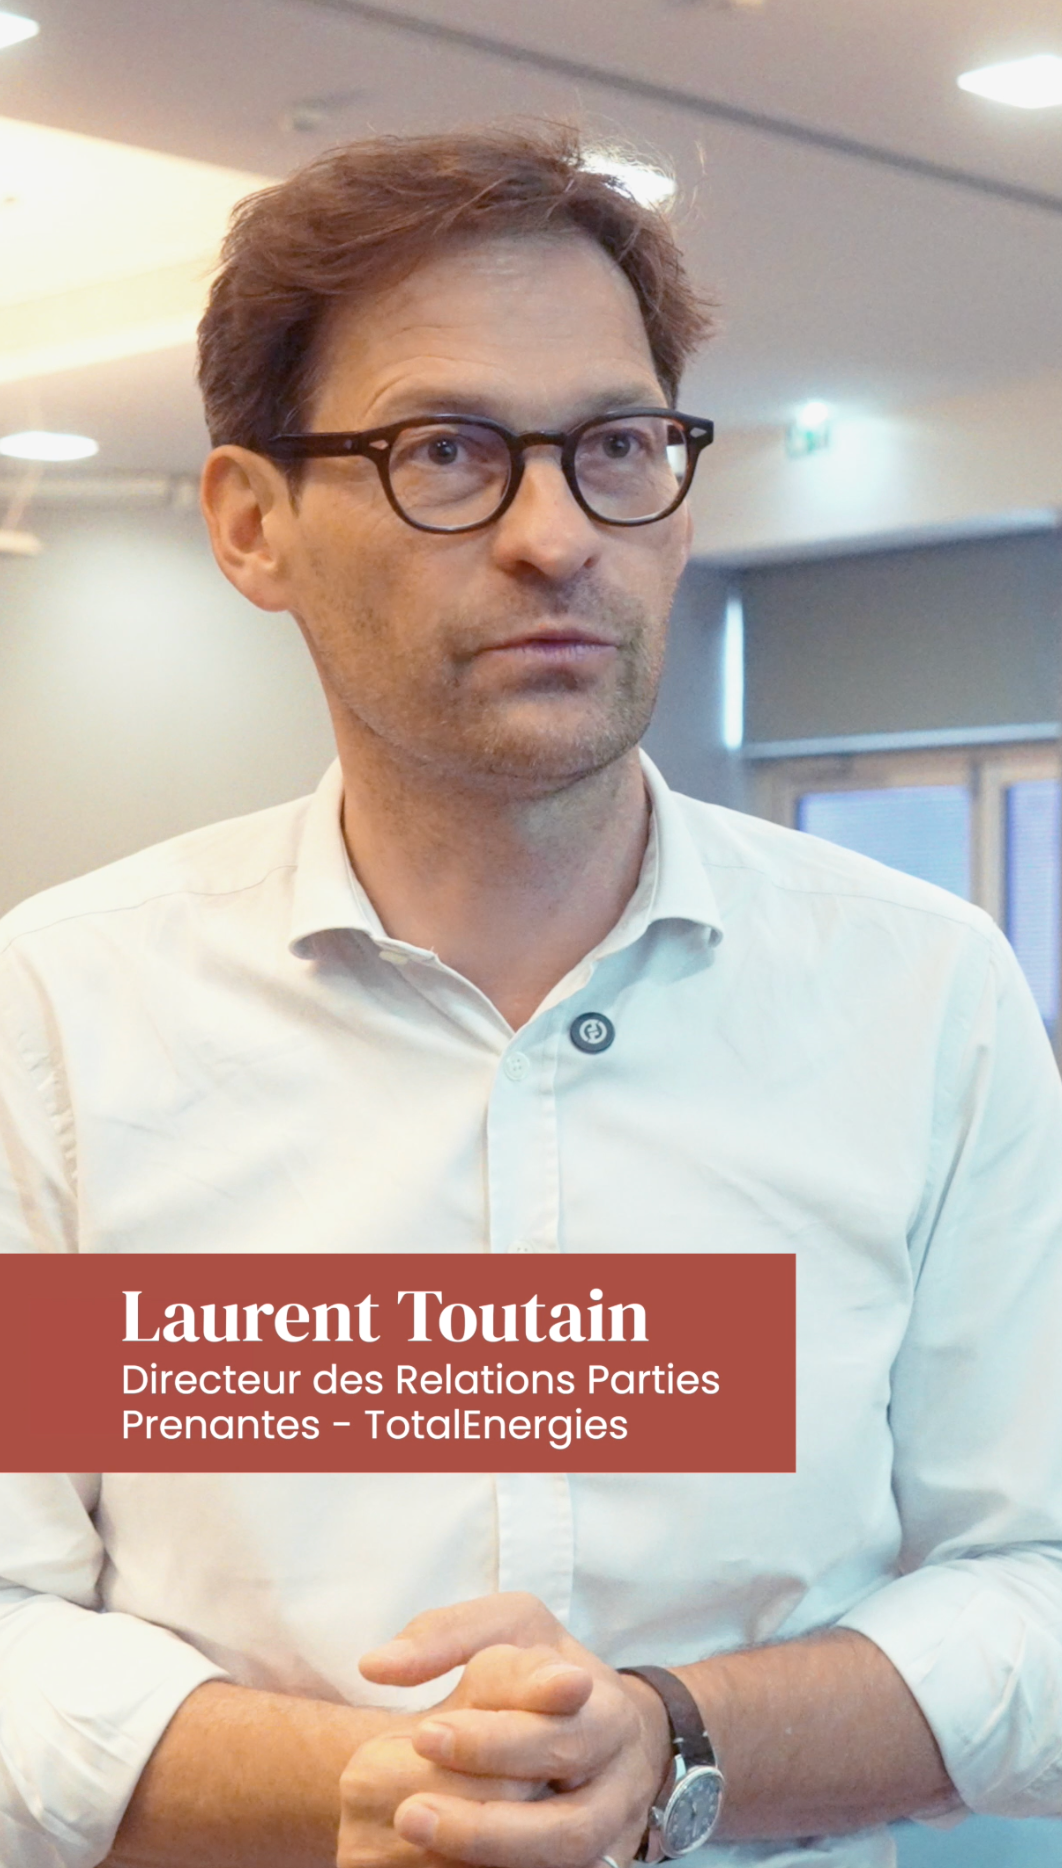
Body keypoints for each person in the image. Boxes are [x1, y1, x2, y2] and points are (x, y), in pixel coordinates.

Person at [0, 123, 1060, 1868]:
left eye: (616, 446)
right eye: (447, 452)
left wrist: (669, 1741)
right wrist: (361, 1787)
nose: (555, 537)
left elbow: (1033, 1580)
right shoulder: (58, 1015)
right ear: (253, 525)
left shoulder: (919, 993)